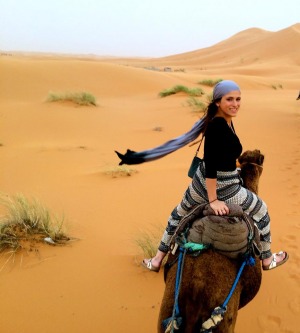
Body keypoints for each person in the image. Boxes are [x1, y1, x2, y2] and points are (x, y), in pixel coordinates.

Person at [116, 80, 289, 272]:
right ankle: (266, 259)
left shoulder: (223, 121)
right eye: (229, 99)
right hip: (223, 187)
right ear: (217, 101)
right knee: (262, 211)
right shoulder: (217, 127)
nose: (235, 104)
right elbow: (212, 166)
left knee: (177, 216)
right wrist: (213, 199)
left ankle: (157, 260)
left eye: (238, 99)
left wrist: (237, 165)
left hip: (200, 185)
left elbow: (221, 158)